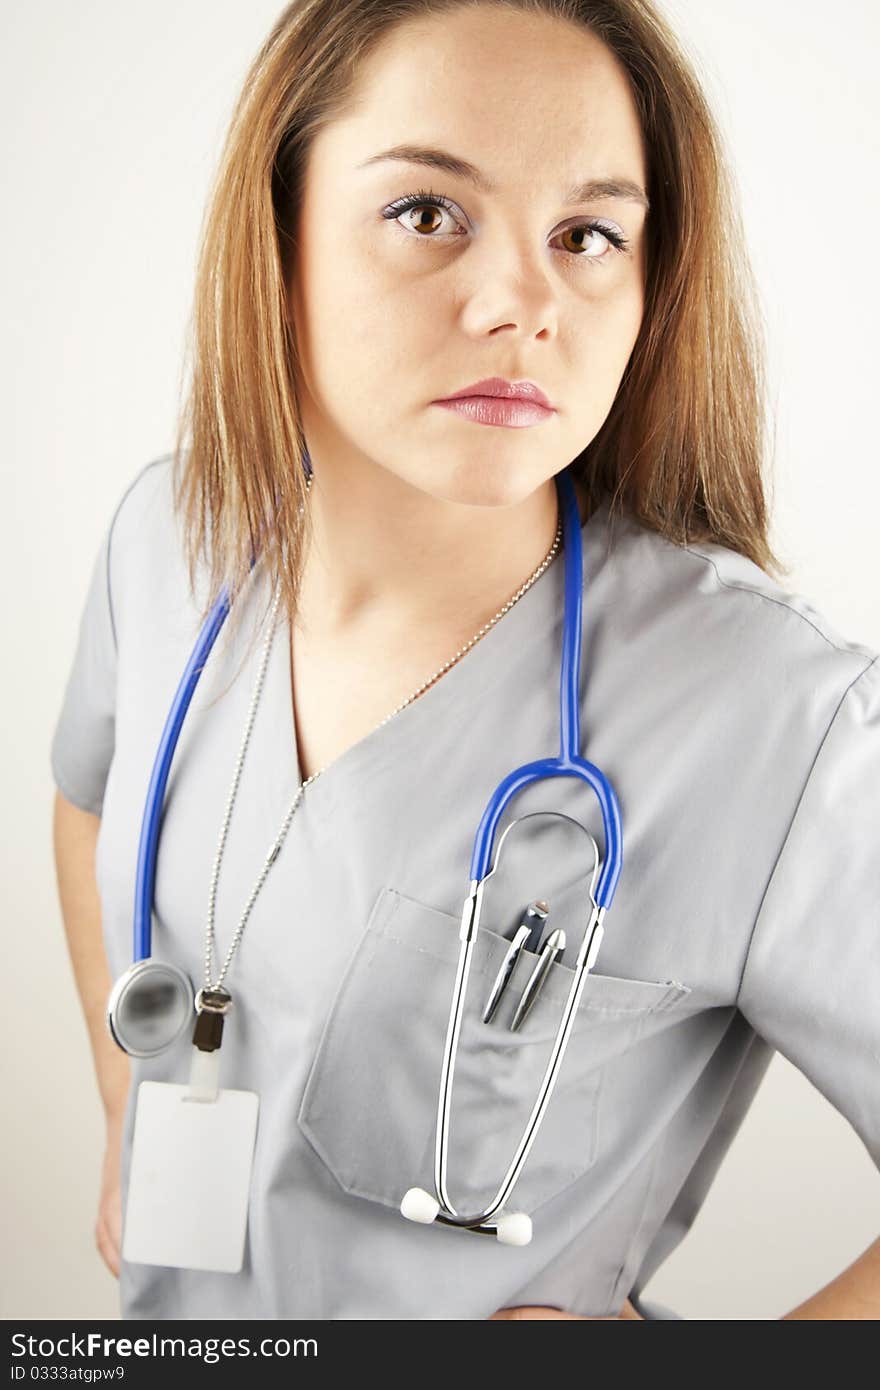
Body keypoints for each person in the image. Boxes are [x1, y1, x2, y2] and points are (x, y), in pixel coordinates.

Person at [50, 0, 879, 1321]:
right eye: (430, 214)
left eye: (588, 234)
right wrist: (128, 1113)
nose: (521, 303)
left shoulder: (776, 715)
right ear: (277, 237)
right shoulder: (169, 537)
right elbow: (87, 797)